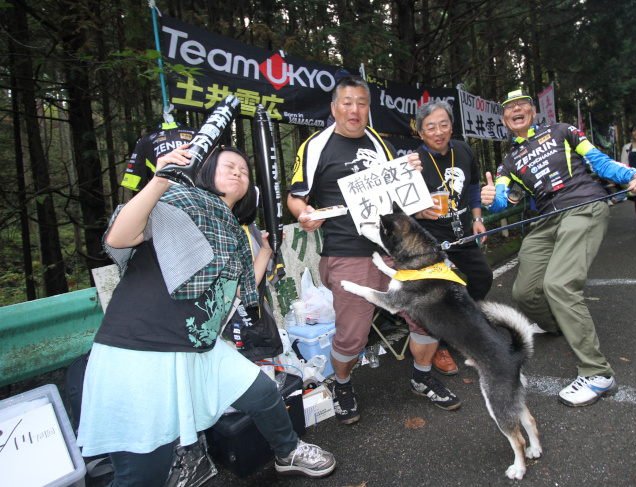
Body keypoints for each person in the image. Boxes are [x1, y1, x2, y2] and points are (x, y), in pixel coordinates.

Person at [77, 145, 335, 485]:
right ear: (206, 171)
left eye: (244, 172)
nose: (238, 173)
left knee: (262, 392)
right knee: (144, 474)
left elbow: (241, 292)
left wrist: (267, 250)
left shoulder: (235, 234)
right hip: (141, 349)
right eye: (229, 166)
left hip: (200, 346)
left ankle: (287, 452)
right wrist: (158, 182)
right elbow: (119, 238)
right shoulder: (177, 202)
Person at [287, 75, 462, 424]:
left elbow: (396, 195)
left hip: (395, 249)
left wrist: (416, 192)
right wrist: (303, 214)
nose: (354, 110)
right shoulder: (315, 146)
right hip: (348, 252)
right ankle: (343, 383)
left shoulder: (380, 143)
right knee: (353, 335)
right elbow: (296, 197)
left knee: (427, 313)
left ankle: (422, 376)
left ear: (369, 108)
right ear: (334, 107)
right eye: (347, 102)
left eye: (362, 103)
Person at [481, 89, 636, 407]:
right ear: (505, 119)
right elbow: (505, 199)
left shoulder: (563, 131)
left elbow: (599, 161)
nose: (516, 109)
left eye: (522, 104)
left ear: (533, 111)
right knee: (525, 292)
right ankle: (557, 324)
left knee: (558, 285)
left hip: (583, 205)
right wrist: (493, 199)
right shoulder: (508, 162)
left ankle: (598, 373)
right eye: (509, 107)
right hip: (547, 220)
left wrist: (633, 174)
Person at [412, 100, 494, 375]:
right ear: (420, 132)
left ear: (451, 126)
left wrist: (478, 217)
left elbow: (472, 186)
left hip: (463, 234)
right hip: (431, 240)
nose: (438, 132)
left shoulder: (463, 149)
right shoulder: (414, 162)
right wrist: (419, 213)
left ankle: (457, 327)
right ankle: (440, 344)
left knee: (482, 278)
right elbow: (398, 207)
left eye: (443, 124)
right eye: (430, 127)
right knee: (437, 295)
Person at [121, 121, 196, 192]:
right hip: (162, 193)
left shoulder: (146, 139)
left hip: (191, 193)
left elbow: (134, 182)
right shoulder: (145, 140)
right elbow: (134, 180)